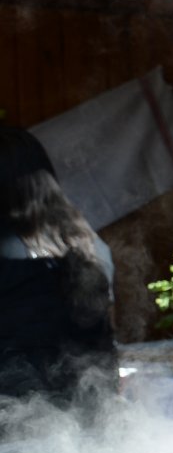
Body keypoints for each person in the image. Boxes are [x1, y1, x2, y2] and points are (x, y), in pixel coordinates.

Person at [0, 126, 115, 408]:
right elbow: (104, 340)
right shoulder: (89, 244)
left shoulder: (9, 255)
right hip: (90, 418)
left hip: (18, 425)